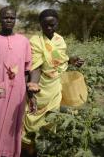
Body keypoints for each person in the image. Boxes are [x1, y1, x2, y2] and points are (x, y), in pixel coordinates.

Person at [22, 9, 84, 155]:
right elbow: (36, 67)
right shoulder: (35, 41)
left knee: (51, 118)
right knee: (33, 117)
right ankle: (29, 149)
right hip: (38, 85)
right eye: (45, 25)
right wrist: (33, 86)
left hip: (55, 86)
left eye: (52, 25)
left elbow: (57, 58)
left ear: (57, 23)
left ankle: (46, 148)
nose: (49, 28)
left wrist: (71, 60)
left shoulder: (59, 40)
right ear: (40, 25)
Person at [0, 7, 32, 157]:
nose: (9, 20)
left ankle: (11, 153)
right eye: (5, 17)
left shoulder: (24, 41)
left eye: (12, 18)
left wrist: (29, 93)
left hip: (18, 89)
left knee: (14, 123)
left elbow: (27, 69)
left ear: (15, 20)